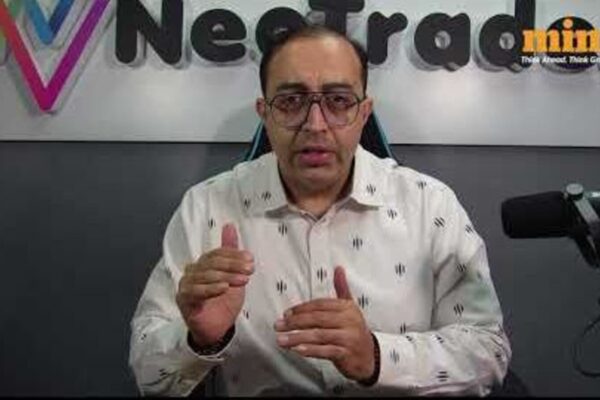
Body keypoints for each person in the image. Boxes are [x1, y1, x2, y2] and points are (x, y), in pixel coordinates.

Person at [129, 25, 511, 396]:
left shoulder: (430, 205)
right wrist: (199, 341)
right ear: (265, 113)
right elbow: (148, 372)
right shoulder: (206, 207)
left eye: (339, 101)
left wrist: (377, 356)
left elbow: (488, 350)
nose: (315, 125)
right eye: (291, 101)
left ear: (364, 113)